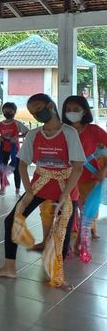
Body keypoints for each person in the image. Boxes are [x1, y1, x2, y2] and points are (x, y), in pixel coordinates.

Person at [0, 93, 84, 289]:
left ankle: (58, 276)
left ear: (50, 105)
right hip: (40, 185)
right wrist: (29, 191)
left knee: (62, 231)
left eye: (39, 108)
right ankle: (9, 266)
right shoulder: (34, 135)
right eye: (32, 112)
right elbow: (22, 165)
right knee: (11, 220)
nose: (37, 113)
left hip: (65, 185)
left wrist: (65, 196)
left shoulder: (69, 133)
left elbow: (78, 167)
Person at [60, 95, 107, 263]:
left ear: (84, 111)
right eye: (68, 110)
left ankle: (81, 243)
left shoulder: (94, 130)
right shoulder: (62, 130)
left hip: (90, 176)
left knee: (86, 212)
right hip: (67, 177)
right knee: (71, 210)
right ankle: (75, 243)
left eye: (76, 110)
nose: (71, 113)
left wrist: (104, 170)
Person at [0, 102, 29, 197]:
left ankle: (17, 191)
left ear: (14, 112)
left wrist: (18, 136)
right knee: (2, 168)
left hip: (15, 150)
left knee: (17, 170)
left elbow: (27, 132)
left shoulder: (17, 124)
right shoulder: (0, 124)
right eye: (5, 110)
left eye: (10, 110)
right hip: (3, 149)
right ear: (3, 111)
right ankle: (2, 189)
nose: (8, 112)